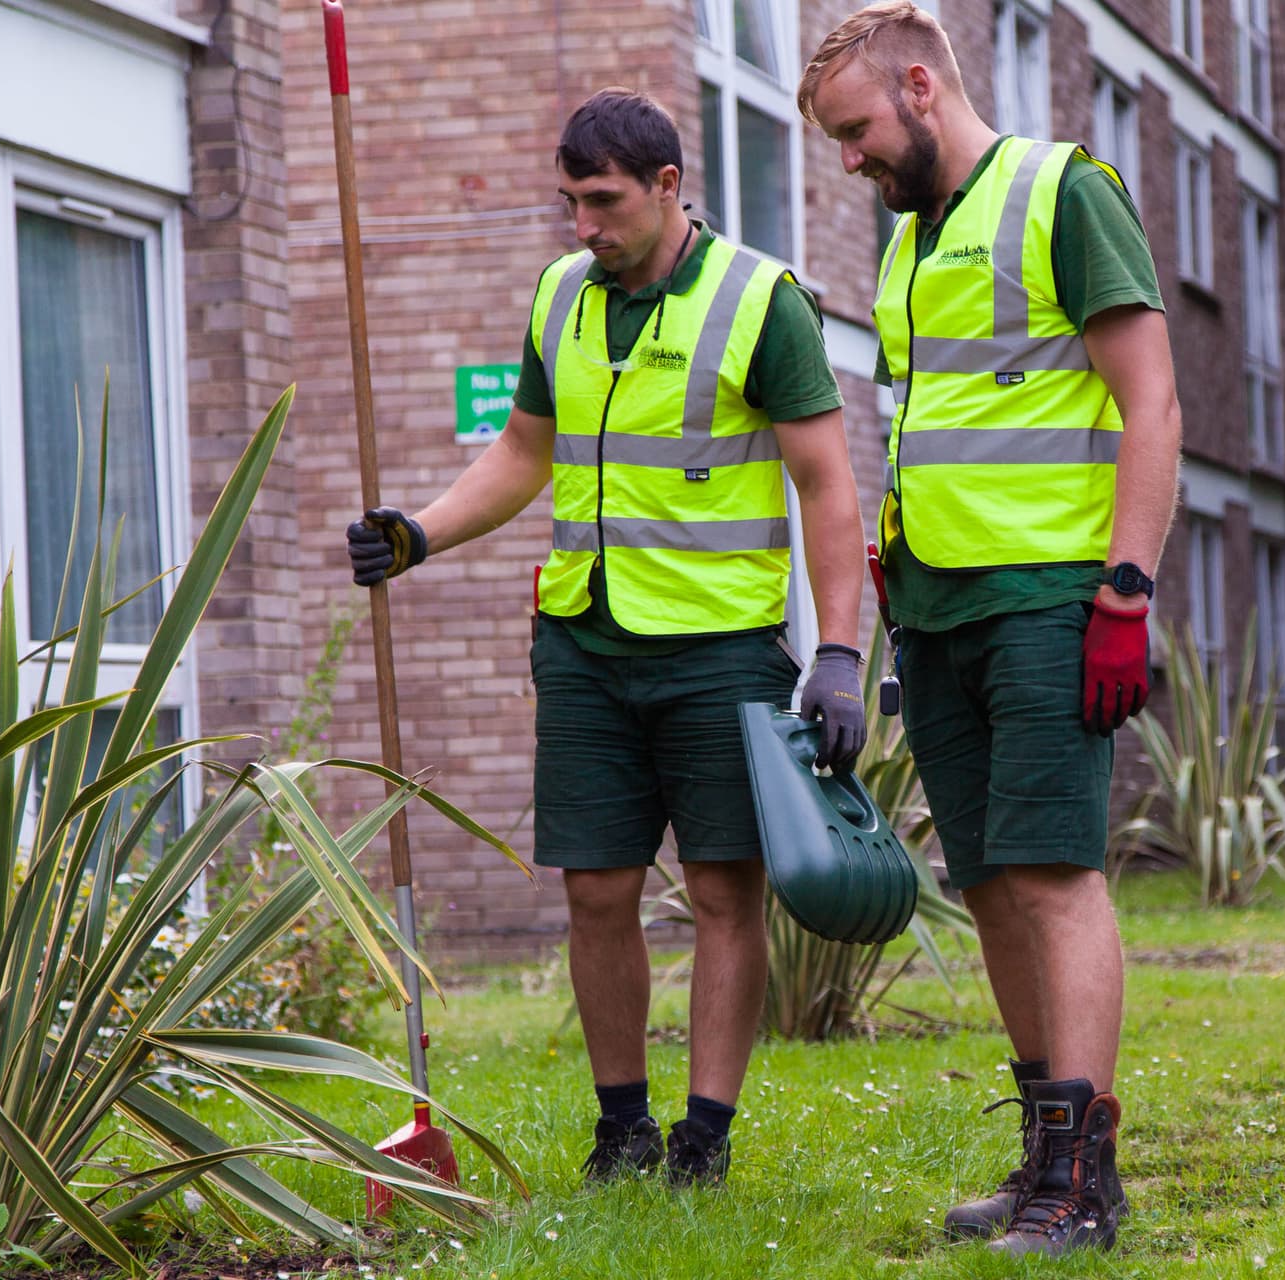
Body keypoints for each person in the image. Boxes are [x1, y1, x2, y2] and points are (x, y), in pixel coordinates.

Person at [346, 88, 867, 1188]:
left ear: (668, 186)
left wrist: (838, 651)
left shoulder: (760, 300)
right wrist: (418, 533)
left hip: (723, 648)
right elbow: (523, 451)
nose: (582, 223)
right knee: (595, 887)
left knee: (725, 890)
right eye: (570, 200)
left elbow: (826, 481)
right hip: (584, 641)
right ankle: (622, 1125)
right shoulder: (560, 296)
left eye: (603, 200)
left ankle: (705, 1137)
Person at [799, 3, 1182, 1258]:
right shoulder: (910, 242)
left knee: (1057, 871)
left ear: (920, 86)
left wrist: (1126, 590)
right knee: (992, 880)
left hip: (1052, 599)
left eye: (855, 131)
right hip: (942, 606)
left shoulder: (1062, 193)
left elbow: (1152, 400)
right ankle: (1042, 1165)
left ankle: (1088, 1184)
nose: (850, 160)